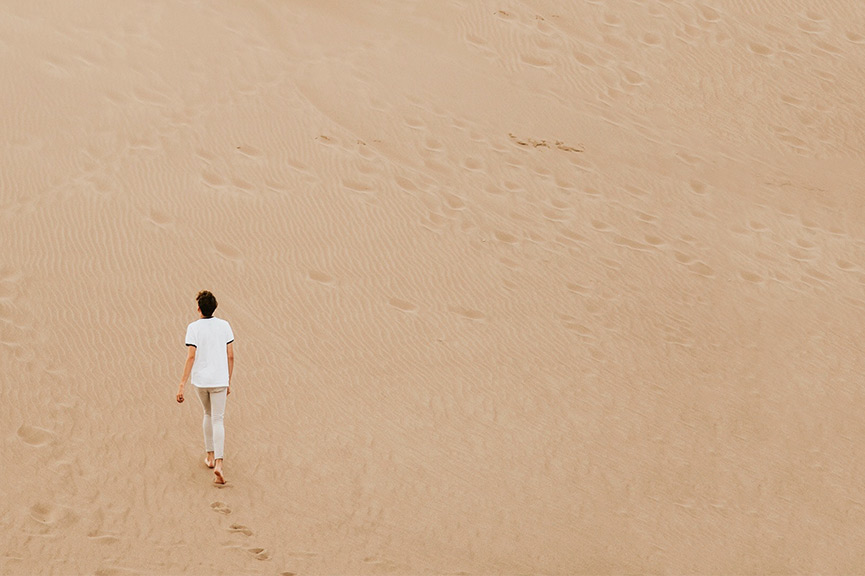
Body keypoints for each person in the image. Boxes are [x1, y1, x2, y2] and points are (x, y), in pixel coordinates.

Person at [176, 290, 235, 484]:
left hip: (201, 381)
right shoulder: (225, 325)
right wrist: (228, 380)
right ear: (214, 307)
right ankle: (219, 463)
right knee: (218, 419)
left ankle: (209, 456)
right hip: (220, 380)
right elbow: (230, 356)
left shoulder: (193, 327)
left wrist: (182, 384)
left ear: (199, 309)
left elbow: (191, 356)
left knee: (207, 414)